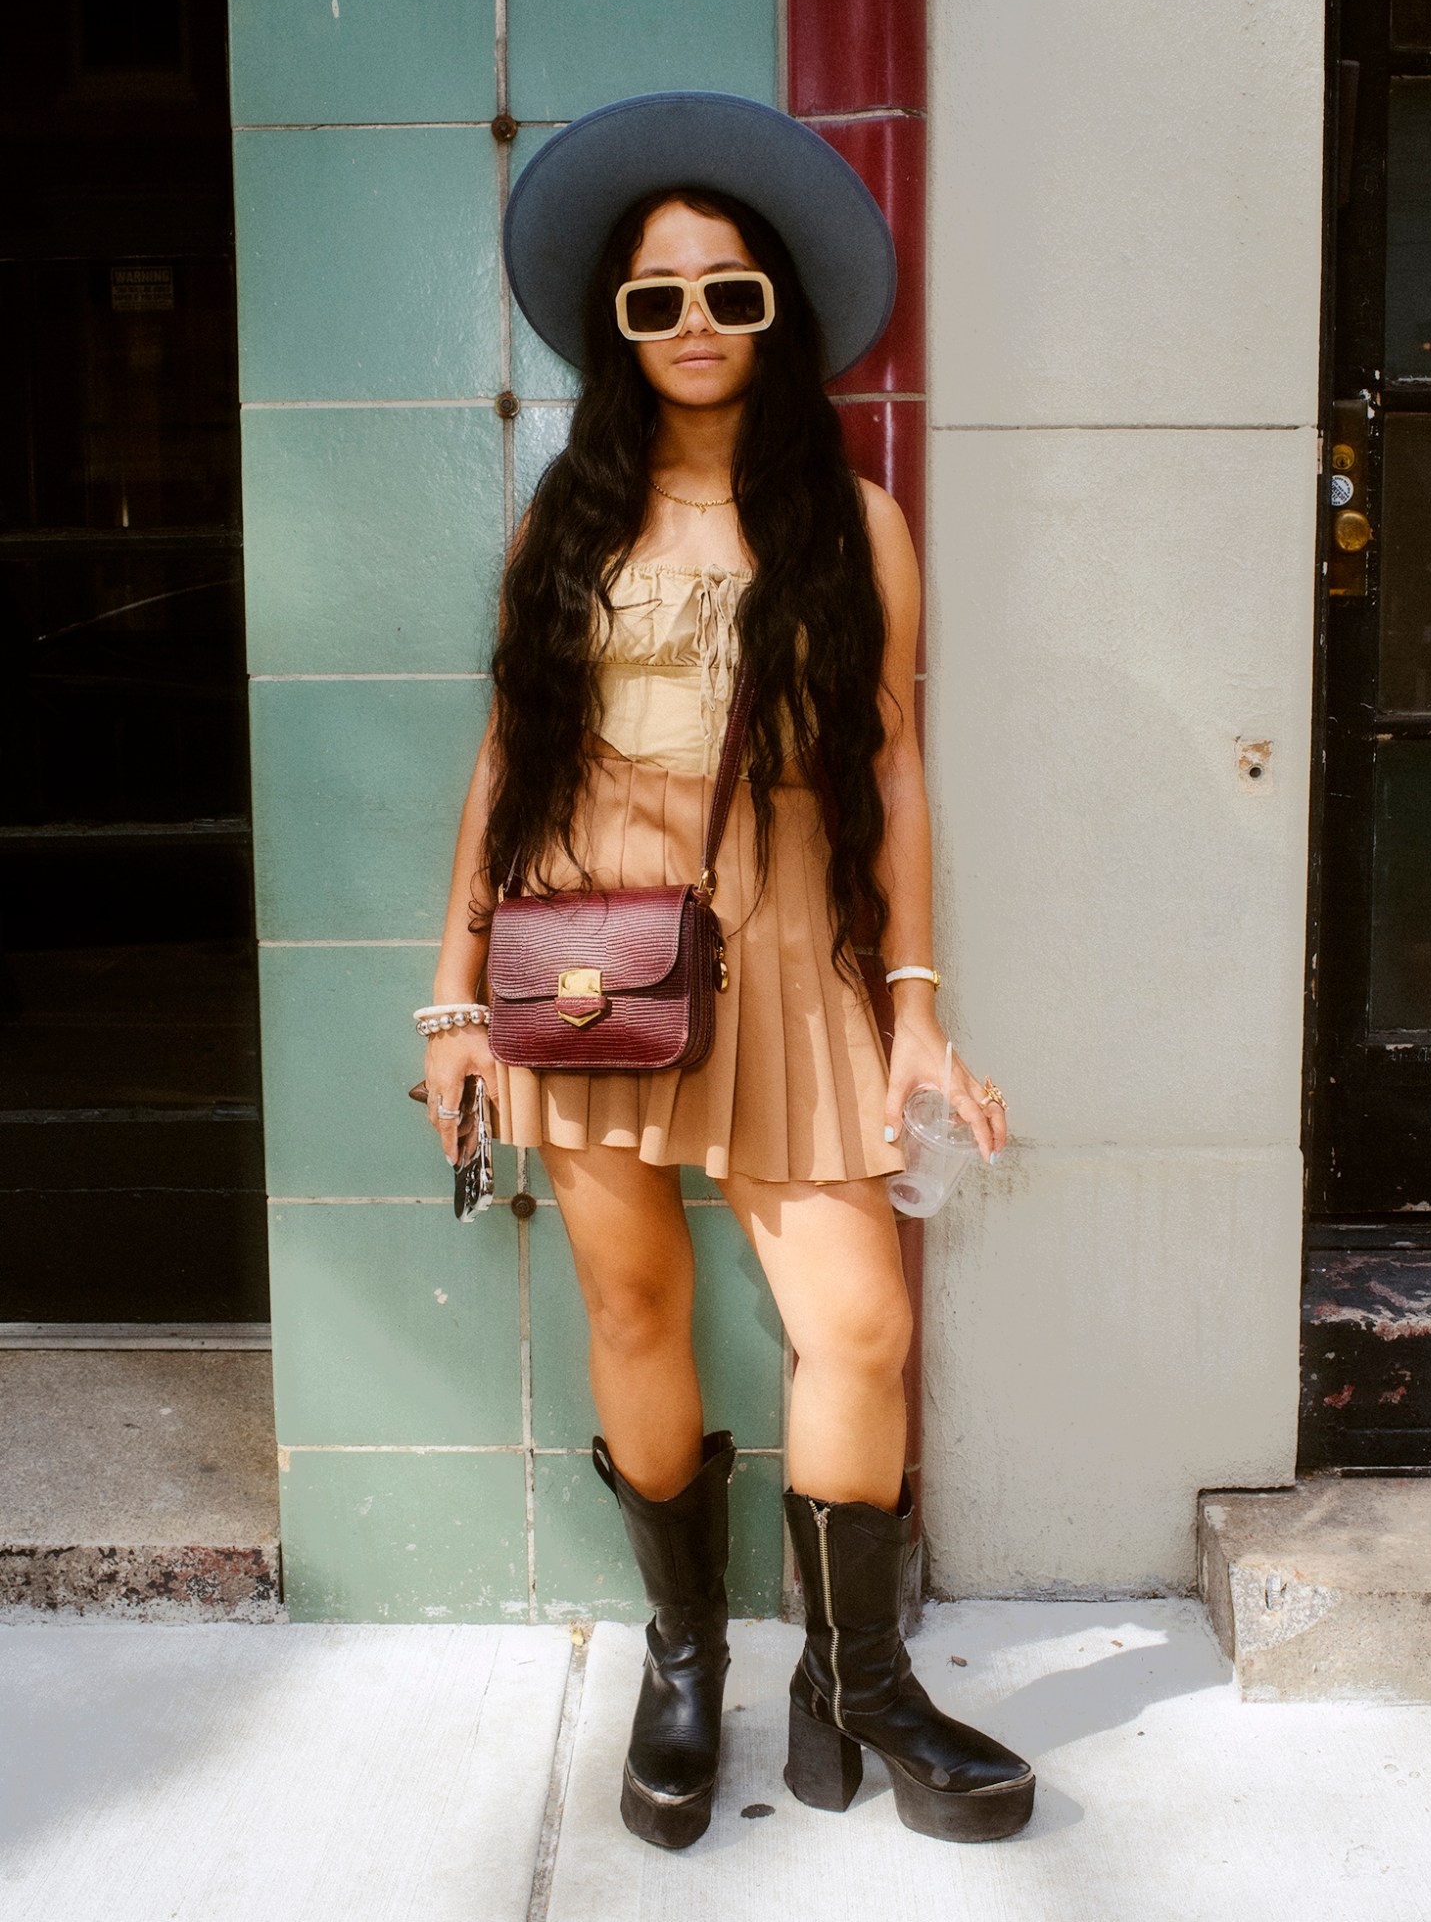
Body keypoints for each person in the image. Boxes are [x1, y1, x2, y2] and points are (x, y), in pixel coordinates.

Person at [418, 92, 1034, 1849]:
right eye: (656, 299)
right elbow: (502, 760)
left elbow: (895, 770)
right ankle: (682, 1662)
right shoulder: (572, 517)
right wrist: (456, 1002)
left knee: (856, 1321)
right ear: (618, 329)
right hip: (591, 951)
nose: (694, 324)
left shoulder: (853, 526)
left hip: (786, 939)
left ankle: (856, 1686)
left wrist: (915, 1006)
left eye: (727, 293)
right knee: (633, 1304)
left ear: (779, 316)